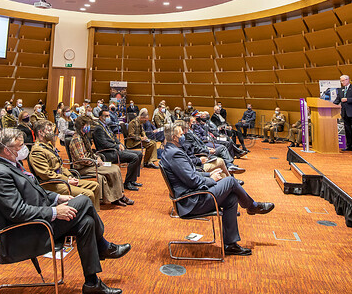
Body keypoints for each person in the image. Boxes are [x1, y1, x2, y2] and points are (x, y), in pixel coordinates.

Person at [0, 128, 131, 294]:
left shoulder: (12, 164)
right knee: (83, 200)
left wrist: (57, 198)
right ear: (7, 149)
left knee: (87, 223)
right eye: (20, 146)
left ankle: (92, 284)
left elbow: (36, 191)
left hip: (40, 220)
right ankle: (104, 246)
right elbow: (17, 212)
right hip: (28, 231)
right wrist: (55, 212)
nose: (24, 148)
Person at [160, 123, 274, 256]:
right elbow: (192, 181)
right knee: (231, 181)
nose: (184, 136)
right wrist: (212, 180)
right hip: (192, 200)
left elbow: (192, 174)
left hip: (194, 195)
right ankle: (252, 206)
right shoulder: (175, 154)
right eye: (181, 134)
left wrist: (209, 175)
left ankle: (230, 244)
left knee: (231, 198)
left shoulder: (170, 150)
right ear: (174, 137)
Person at [28, 120, 102, 210]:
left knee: (95, 186)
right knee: (88, 194)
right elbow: (46, 175)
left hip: (61, 179)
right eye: (49, 130)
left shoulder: (48, 146)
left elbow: (60, 166)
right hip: (52, 184)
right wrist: (67, 180)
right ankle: (87, 218)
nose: (53, 133)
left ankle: (94, 215)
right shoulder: (37, 151)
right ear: (41, 132)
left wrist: (70, 177)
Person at [69, 117, 132, 206]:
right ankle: (118, 197)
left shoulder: (83, 137)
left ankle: (119, 196)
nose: (89, 127)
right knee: (112, 170)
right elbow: (81, 159)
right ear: (82, 126)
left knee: (115, 168)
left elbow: (89, 153)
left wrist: (97, 157)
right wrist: (95, 162)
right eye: (87, 125)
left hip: (91, 164)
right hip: (83, 168)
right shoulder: (77, 139)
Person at [92, 109, 142, 191]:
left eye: (109, 115)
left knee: (139, 154)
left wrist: (120, 144)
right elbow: (104, 144)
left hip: (114, 149)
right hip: (108, 153)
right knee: (134, 157)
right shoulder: (98, 129)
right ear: (100, 117)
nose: (108, 117)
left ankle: (132, 180)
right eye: (106, 116)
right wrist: (117, 146)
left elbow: (114, 138)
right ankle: (127, 183)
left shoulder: (106, 126)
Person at [334, 75, 352, 152]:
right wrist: (330, 105)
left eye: (343, 80)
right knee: (347, 130)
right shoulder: (340, 90)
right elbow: (337, 100)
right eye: (341, 81)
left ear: (348, 80)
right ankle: (349, 146)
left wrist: (347, 99)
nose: (342, 82)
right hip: (345, 112)